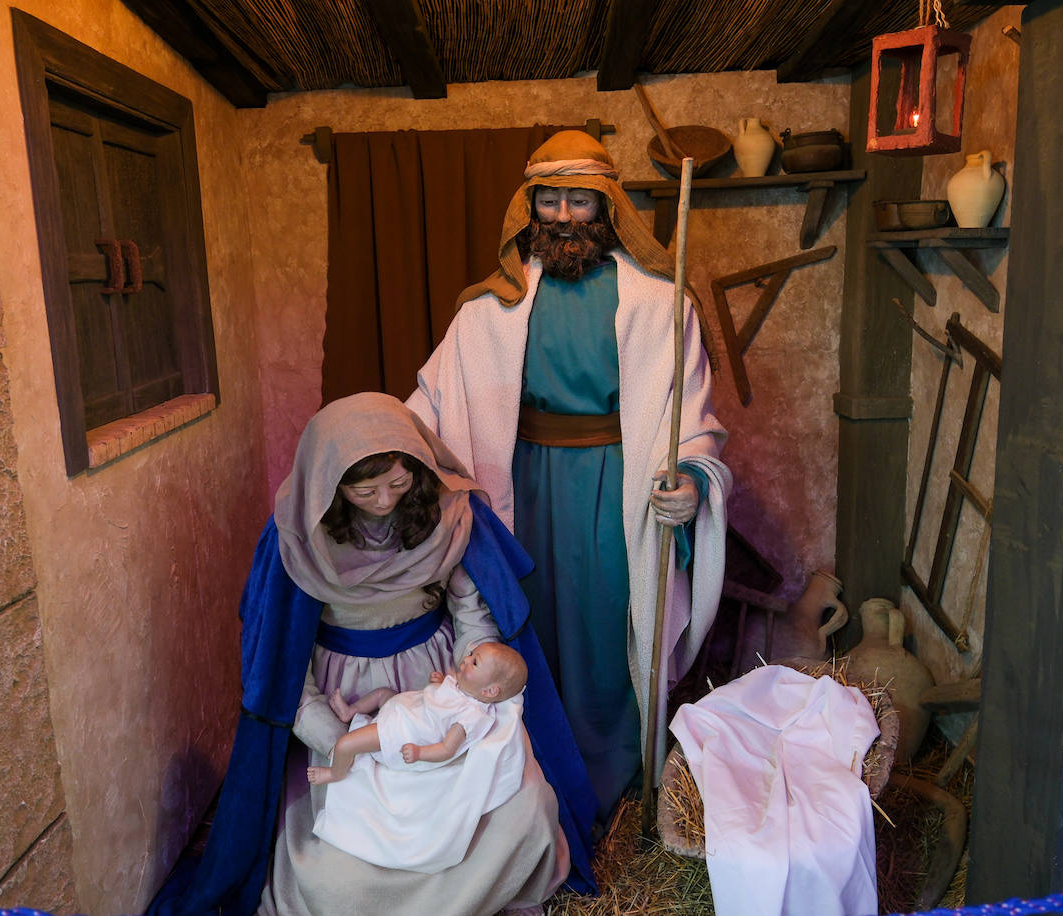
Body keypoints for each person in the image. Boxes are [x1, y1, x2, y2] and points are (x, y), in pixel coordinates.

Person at [149, 392, 596, 916]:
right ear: (331, 487)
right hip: (347, 696)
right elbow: (279, 662)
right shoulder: (297, 536)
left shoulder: (448, 514)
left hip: (439, 680)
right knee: (335, 878)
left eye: (398, 483)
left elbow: (472, 611)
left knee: (523, 811)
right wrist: (341, 739)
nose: (385, 500)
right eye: (365, 489)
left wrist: (472, 681)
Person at [406, 129, 732, 825]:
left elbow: (693, 417)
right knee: (525, 620)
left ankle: (613, 771)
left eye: (577, 201)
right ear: (528, 208)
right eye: (547, 200)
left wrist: (692, 481)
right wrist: (382, 450)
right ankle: (524, 768)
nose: (560, 215)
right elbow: (432, 404)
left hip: (618, 489)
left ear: (606, 205)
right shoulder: (488, 306)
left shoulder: (658, 302)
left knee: (609, 621)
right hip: (519, 487)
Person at [307, 642, 528, 784]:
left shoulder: (470, 716)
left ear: (489, 690)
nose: (465, 659)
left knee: (346, 744)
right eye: (470, 654)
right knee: (383, 693)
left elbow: (447, 749)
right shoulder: (464, 686)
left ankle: (336, 773)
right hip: (407, 707)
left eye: (474, 662)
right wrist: (439, 683)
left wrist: (419, 752)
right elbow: (443, 702)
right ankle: (350, 712)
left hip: (405, 732)